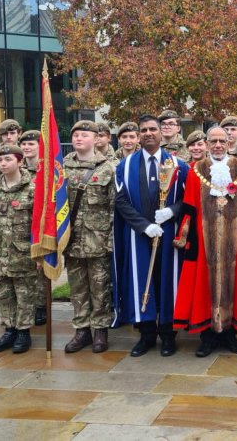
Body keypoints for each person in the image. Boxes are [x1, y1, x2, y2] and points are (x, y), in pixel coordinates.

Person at [172, 126, 237, 356]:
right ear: (206, 143)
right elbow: (189, 207)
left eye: (221, 141)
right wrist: (184, 235)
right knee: (204, 289)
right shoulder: (196, 170)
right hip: (204, 242)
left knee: (235, 287)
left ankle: (229, 336)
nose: (217, 145)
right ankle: (207, 338)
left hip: (236, 242)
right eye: (213, 141)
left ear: (229, 142)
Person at [113, 114, 189, 357]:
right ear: (138, 135)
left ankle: (168, 335)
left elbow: (187, 200)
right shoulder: (124, 166)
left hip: (168, 236)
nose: (148, 133)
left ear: (161, 132)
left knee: (167, 283)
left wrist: (171, 211)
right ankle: (145, 336)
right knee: (140, 283)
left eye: (152, 129)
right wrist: (143, 225)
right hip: (139, 236)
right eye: (143, 130)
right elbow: (121, 201)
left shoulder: (179, 165)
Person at [63, 121, 117, 353]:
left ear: (96, 139)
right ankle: (82, 330)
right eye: (75, 135)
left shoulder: (109, 168)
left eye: (84, 135)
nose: (78, 139)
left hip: (99, 239)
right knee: (77, 288)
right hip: (71, 239)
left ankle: (101, 331)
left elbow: (116, 207)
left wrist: (112, 239)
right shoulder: (60, 167)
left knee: (100, 287)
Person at [0, 145, 36, 354]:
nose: (3, 164)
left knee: (24, 295)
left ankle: (23, 332)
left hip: (23, 253)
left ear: (20, 161)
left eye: (8, 159)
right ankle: (9, 330)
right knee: (3, 295)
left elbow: (40, 225)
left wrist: (41, 253)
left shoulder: (33, 189)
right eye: (0, 160)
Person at [19, 130, 47, 326]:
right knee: (25, 269)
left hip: (42, 225)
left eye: (31, 144)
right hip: (20, 225)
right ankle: (26, 306)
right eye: (24, 144)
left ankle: (41, 306)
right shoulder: (18, 170)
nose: (27, 148)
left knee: (41, 269)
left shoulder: (45, 170)